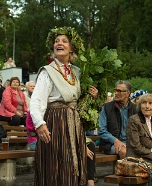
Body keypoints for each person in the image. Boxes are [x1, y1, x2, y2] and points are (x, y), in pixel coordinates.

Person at [30, 26, 98, 186]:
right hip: (55, 124)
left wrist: (90, 96)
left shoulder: (77, 73)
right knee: (56, 167)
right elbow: (36, 100)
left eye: (64, 41)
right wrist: (40, 124)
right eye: (56, 41)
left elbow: (78, 106)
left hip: (74, 124)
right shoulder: (47, 72)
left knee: (74, 166)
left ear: (72, 47)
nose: (59, 43)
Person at [98, 80, 136, 159]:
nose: (116, 93)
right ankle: (125, 171)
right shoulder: (107, 107)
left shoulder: (135, 109)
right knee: (124, 151)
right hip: (110, 144)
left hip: (131, 143)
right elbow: (101, 130)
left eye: (119, 91)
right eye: (115, 90)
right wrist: (115, 140)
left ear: (128, 93)